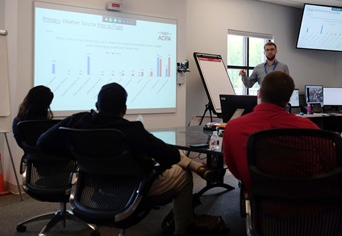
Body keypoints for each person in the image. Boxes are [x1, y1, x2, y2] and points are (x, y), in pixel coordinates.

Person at [37, 83, 226, 236]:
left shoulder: (75, 121)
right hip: (134, 190)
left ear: (97, 105)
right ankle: (182, 229)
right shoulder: (131, 130)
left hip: (97, 186)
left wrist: (75, 151)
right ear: (124, 108)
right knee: (183, 175)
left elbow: (42, 142)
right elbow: (167, 155)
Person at [223, 71, 319, 193]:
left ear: (260, 93)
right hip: (309, 204)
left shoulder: (233, 128)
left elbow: (235, 170)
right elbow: (328, 164)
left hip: (261, 203)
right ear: (288, 98)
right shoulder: (310, 129)